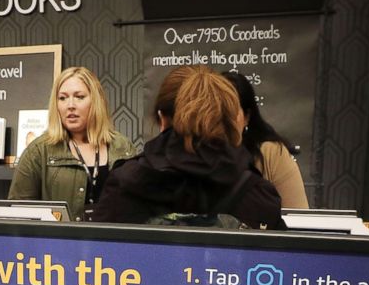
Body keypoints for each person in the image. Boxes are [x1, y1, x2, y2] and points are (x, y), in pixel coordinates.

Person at [91, 67, 283, 229]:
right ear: (230, 120)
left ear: (162, 118)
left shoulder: (126, 183)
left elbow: (94, 260)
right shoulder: (257, 193)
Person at [8, 66, 136, 221]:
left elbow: (137, 207)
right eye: (62, 98)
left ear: (96, 101)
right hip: (57, 244)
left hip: (113, 243)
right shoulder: (38, 151)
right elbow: (18, 215)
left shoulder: (122, 147)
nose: (70, 105)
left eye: (79, 97)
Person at [221, 71, 309, 209]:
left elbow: (298, 219)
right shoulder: (194, 155)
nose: (223, 120)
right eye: (216, 111)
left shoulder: (272, 154)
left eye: (230, 112)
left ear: (247, 117)